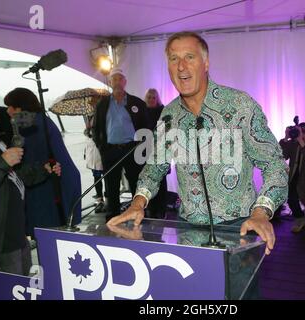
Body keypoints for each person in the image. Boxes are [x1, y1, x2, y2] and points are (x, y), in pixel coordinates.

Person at [107, 31, 289, 257]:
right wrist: (138, 202)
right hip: (188, 230)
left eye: (189, 57)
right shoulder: (169, 115)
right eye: (174, 59)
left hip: (240, 228)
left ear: (206, 63)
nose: (181, 66)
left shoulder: (241, 105)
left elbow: (275, 165)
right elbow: (155, 167)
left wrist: (261, 212)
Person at [0, 84, 61, 282]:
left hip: (17, 235)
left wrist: (42, 170)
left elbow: (13, 176)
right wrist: (2, 163)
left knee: (22, 287)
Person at [4, 87, 81, 238]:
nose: (7, 111)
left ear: (20, 107)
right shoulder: (42, 119)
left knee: (47, 235)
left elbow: (27, 161)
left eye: (10, 107)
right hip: (62, 180)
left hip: (48, 187)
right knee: (59, 233)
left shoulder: (28, 125)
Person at [92, 68, 148, 222]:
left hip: (132, 149)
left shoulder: (137, 103)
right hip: (110, 150)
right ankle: (113, 217)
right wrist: (102, 148)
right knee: (111, 186)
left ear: (125, 82)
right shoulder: (102, 104)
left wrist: (142, 148)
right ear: (110, 82)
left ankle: (140, 213)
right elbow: (96, 129)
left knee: (136, 183)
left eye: (120, 79)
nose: (117, 82)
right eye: (114, 79)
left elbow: (147, 128)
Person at [144, 88, 168, 219]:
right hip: (145, 152)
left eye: (154, 97)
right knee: (148, 179)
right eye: (149, 97)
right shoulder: (142, 111)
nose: (151, 100)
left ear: (157, 99)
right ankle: (150, 208)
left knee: (161, 181)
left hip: (160, 151)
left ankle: (161, 208)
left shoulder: (163, 111)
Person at [84, 116, 105, 210]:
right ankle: (100, 197)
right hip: (93, 159)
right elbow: (88, 146)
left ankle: (105, 197)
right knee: (97, 178)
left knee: (106, 178)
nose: (89, 122)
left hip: (102, 157)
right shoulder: (88, 132)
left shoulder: (101, 130)